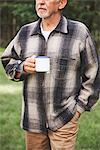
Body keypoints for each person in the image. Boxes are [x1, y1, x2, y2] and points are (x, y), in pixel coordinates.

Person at [1, 0, 99, 149]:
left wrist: (78, 109)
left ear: (61, 3)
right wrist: (22, 67)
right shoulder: (25, 32)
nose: (40, 1)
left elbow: (93, 73)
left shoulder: (79, 32)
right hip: (33, 121)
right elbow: (7, 60)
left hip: (64, 118)